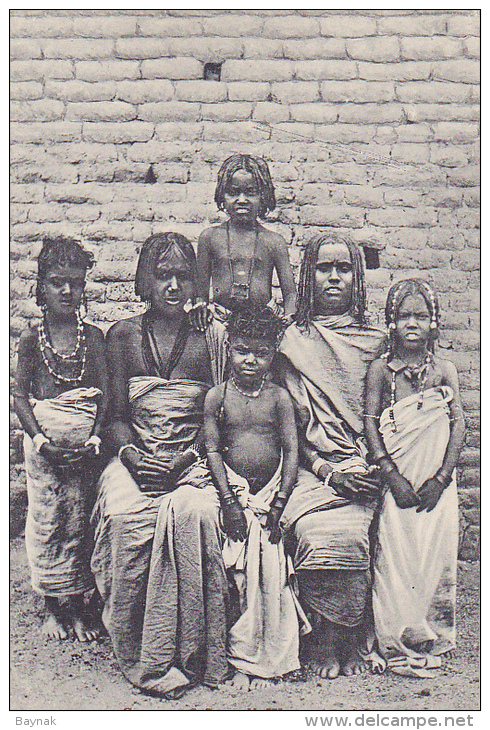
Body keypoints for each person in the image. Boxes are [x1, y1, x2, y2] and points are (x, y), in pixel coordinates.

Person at [90, 232, 229, 699]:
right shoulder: (123, 336)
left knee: (197, 515)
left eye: (183, 276)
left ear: (195, 284)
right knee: (126, 519)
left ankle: (192, 651)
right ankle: (142, 654)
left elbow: (222, 418)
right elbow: (112, 416)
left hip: (192, 458)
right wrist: (132, 457)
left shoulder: (208, 337)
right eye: (162, 275)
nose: (172, 286)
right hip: (136, 457)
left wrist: (182, 461)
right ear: (143, 281)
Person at [276, 233, 385, 679]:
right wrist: (327, 472)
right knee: (320, 532)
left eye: (344, 269)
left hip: (366, 464)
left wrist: (374, 465)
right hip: (312, 469)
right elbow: (287, 431)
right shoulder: (292, 341)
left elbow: (388, 417)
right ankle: (324, 638)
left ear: (357, 278)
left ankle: (351, 635)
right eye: (324, 268)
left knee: (369, 528)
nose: (334, 278)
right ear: (307, 276)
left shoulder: (377, 342)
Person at [365, 279, 465, 676]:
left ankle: (430, 632)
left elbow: (458, 426)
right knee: (395, 554)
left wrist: (441, 479)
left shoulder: (445, 370)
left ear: (434, 323)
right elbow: (371, 425)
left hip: (435, 483)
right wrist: (392, 477)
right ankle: (393, 634)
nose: (412, 324)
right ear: (390, 322)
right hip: (399, 482)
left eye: (420, 316)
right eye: (404, 316)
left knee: (432, 555)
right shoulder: (380, 371)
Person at [204, 306, 304, 691]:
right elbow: (212, 450)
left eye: (261, 352)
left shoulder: (278, 398)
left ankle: (272, 659)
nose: (251, 360)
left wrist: (278, 505)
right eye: (242, 350)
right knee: (238, 575)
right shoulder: (217, 397)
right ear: (228, 348)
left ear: (273, 353)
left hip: (269, 497)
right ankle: (238, 657)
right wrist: (229, 503)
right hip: (234, 494)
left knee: (271, 573)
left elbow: (292, 451)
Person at [14, 236, 108, 642]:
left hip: (84, 452)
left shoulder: (95, 338)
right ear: (41, 288)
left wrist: (94, 441)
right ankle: (53, 607)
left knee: (81, 522)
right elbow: (19, 396)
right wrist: (41, 442)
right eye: (57, 282)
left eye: (75, 283)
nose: (67, 291)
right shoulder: (32, 339)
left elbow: (104, 397)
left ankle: (83, 606)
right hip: (46, 452)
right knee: (48, 522)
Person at [193, 154, 296, 328]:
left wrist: (288, 321)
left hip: (263, 324)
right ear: (222, 195)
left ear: (263, 196)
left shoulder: (274, 241)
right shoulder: (209, 237)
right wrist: (200, 309)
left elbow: (290, 294)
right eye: (233, 193)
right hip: (220, 321)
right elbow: (199, 294)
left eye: (250, 193)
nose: (241, 200)